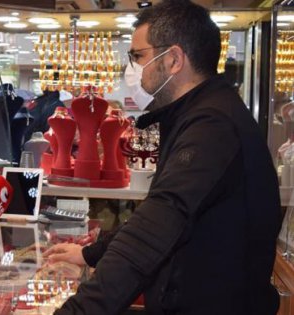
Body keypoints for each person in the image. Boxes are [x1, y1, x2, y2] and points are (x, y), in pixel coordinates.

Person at [49, 1, 281, 314]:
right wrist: (91, 254)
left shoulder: (212, 125)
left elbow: (155, 229)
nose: (131, 69)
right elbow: (158, 215)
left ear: (173, 59)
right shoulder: (202, 114)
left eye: (137, 56)